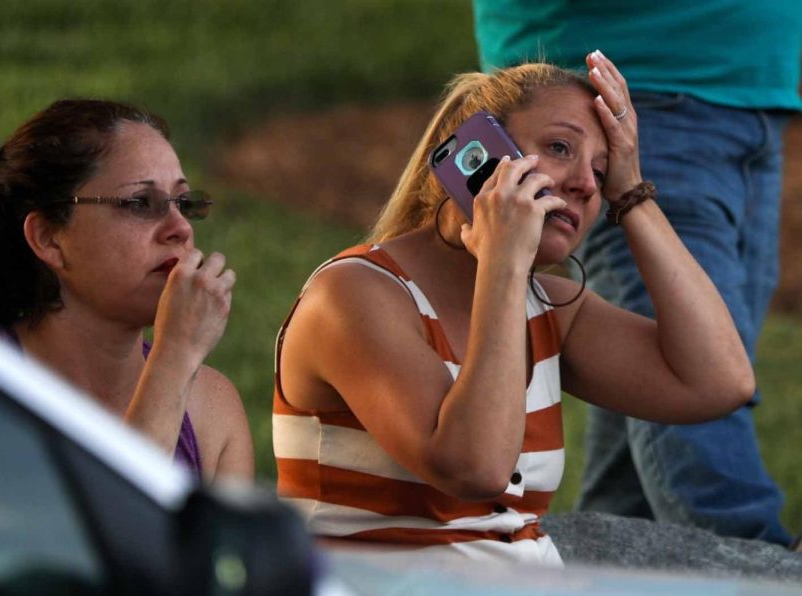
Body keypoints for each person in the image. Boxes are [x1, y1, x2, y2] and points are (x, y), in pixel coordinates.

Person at [271, 56, 754, 566]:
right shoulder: (353, 293)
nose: (586, 186)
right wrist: (501, 263)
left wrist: (631, 194)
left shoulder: (549, 308)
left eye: (601, 171)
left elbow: (719, 382)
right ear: (475, 154)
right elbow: (474, 468)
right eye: (559, 148)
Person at [472, 0, 801, 547]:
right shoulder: (366, 290)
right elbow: (703, 387)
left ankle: (599, 572)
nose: (585, 185)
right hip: (627, 88)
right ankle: (759, 560)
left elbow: (719, 380)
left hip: (751, 95)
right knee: (687, 393)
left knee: (632, 479)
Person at [0, 99, 253, 483]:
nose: (180, 228)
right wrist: (174, 359)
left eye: (183, 203)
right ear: (49, 238)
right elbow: (84, 537)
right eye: (140, 202)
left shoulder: (211, 407)